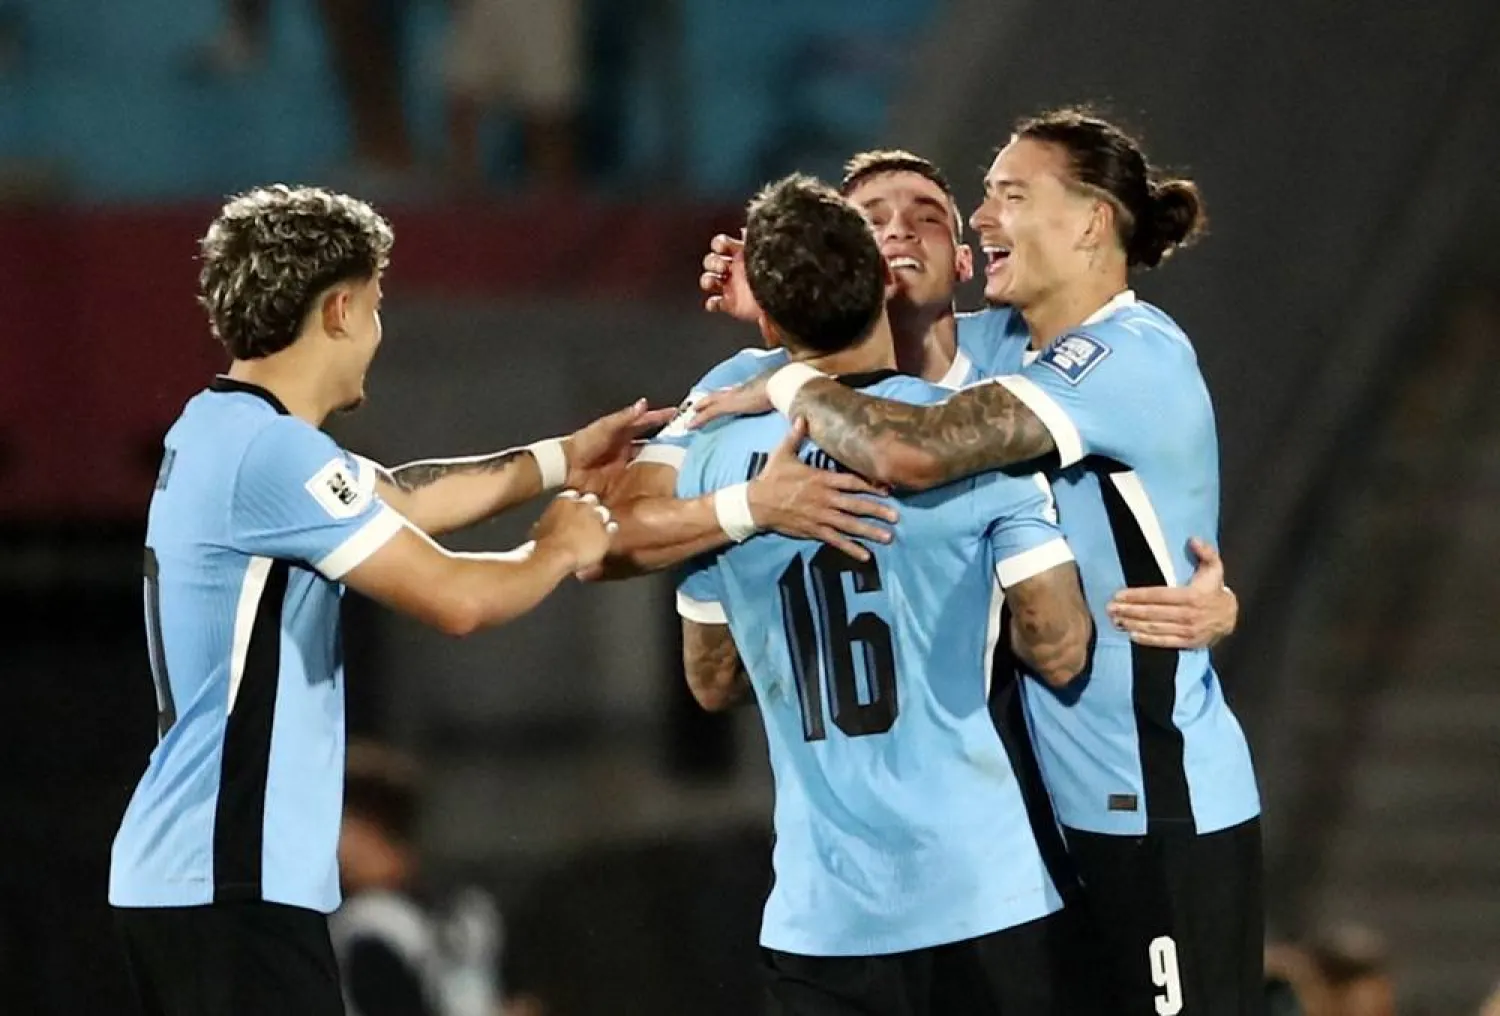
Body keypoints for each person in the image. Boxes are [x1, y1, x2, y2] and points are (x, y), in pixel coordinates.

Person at [693, 109, 1265, 1014]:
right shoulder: (1009, 348)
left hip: (1147, 798)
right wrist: (781, 306)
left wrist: (786, 378)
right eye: (984, 200)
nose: (983, 221)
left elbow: (913, 445)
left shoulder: (1128, 352)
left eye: (1008, 196)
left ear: (1088, 222)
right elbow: (900, 350)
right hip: (1043, 822)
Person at [109, 184, 670, 1016]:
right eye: (374, 306)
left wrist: (562, 457)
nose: (377, 331)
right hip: (230, 883)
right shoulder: (271, 454)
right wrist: (562, 544)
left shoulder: (224, 430)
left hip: (195, 879)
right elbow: (456, 599)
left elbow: (397, 497)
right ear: (337, 309)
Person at [676, 173, 1098, 1016]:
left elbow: (711, 679)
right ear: (880, 285)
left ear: (766, 318)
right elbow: (1060, 644)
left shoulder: (713, 459)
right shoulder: (964, 438)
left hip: (824, 917)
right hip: (985, 894)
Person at [691, 150, 1238, 649]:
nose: (900, 231)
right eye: (869, 223)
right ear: (848, 260)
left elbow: (1153, 455)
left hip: (1048, 743)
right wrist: (779, 293)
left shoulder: (1031, 352)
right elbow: (630, 517)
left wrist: (1215, 602)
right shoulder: (744, 386)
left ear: (963, 262)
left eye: (927, 218)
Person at [332, 742, 502, 1016]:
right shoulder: (469, 907)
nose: (336, 845)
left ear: (372, 827)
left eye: (344, 825)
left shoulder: (369, 924)